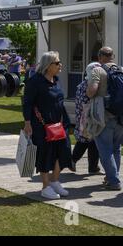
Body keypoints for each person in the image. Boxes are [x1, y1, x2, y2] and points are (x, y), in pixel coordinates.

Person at [23, 51, 72, 200]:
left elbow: (59, 102)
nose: (60, 65)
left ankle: (54, 180)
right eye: (57, 63)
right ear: (48, 65)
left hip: (59, 123)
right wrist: (27, 122)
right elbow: (27, 103)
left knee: (64, 151)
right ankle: (45, 187)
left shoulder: (56, 80)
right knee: (45, 154)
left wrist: (66, 121)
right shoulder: (35, 81)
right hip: (41, 126)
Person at [86, 47, 122, 191]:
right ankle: (111, 177)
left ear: (100, 56)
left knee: (105, 150)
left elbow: (92, 91)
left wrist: (89, 91)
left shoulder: (97, 71)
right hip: (120, 116)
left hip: (104, 116)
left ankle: (114, 181)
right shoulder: (121, 70)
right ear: (112, 56)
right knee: (116, 149)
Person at [70, 62, 101, 174]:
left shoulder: (83, 83)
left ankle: (92, 167)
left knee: (90, 141)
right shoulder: (90, 84)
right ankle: (73, 160)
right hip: (88, 117)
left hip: (85, 116)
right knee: (87, 140)